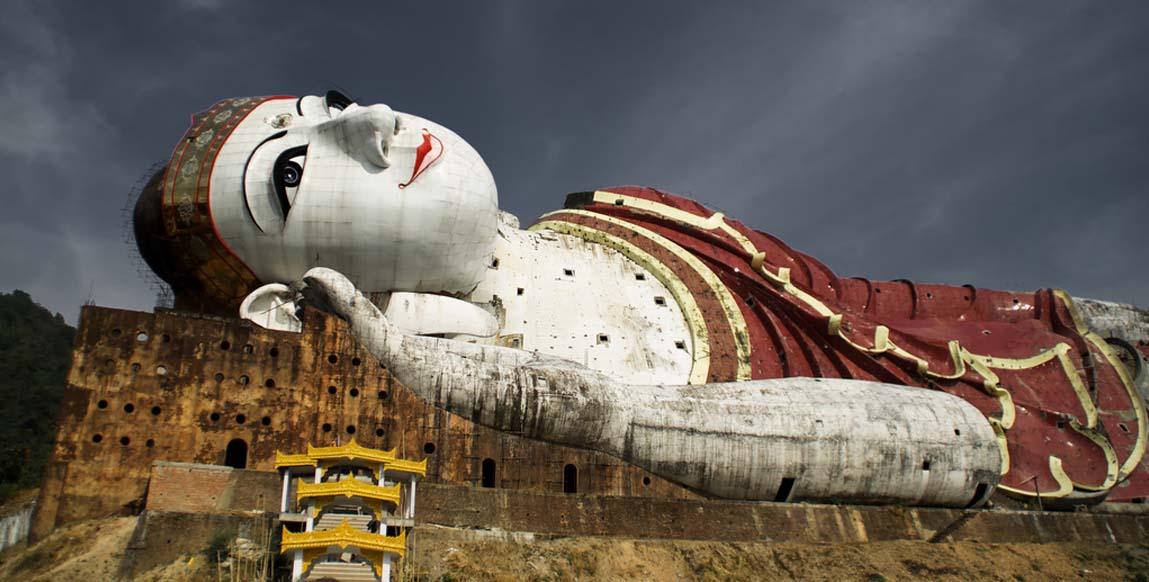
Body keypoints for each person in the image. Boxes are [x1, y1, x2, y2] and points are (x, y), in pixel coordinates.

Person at [134, 92, 1147, 506]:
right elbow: (951, 442)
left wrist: (1050, 314)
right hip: (1020, 455)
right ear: (280, 306)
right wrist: (605, 419)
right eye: (293, 177)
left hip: (1060, 365)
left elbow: (864, 305)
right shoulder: (495, 382)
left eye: (328, 103)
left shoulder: (631, 215)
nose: (372, 122)